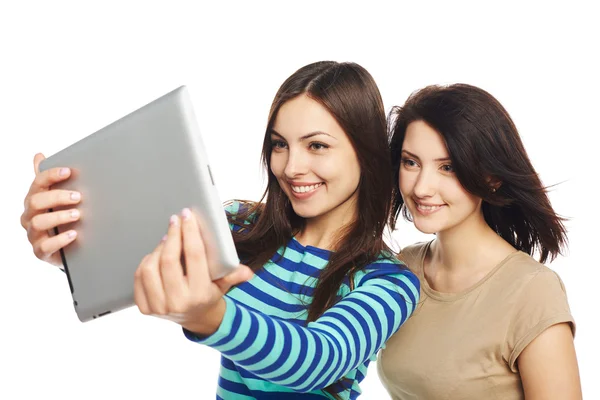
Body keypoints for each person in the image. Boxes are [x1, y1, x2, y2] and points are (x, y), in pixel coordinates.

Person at [20, 61, 420, 399]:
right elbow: (145, 262)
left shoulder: (387, 280)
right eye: (280, 144)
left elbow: (316, 360)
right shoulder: (241, 225)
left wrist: (211, 317)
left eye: (316, 146)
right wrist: (73, 247)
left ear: (365, 153)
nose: (291, 166)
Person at [376, 83, 582, 399]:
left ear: (491, 177)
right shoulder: (402, 269)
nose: (421, 187)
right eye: (411, 162)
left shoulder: (532, 292)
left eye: (447, 167)